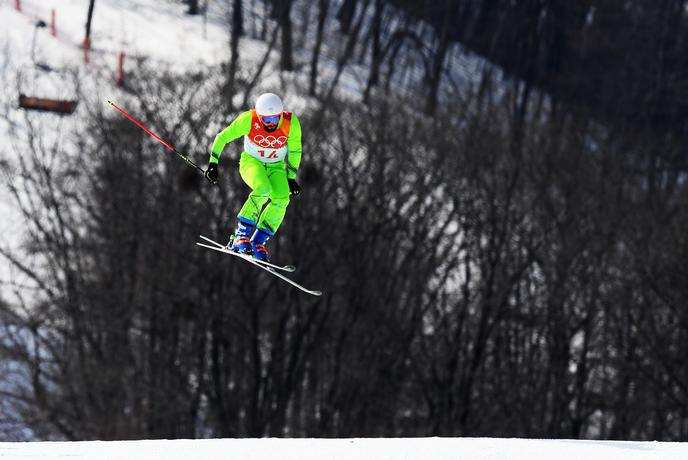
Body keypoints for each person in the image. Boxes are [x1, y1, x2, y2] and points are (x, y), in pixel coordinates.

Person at [205, 93, 302, 262]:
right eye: (266, 120)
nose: (271, 124)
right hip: (251, 163)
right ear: (259, 116)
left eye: (274, 119)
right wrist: (213, 163)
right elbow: (222, 137)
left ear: (280, 114)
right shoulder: (249, 119)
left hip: (276, 166)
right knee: (263, 189)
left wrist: (291, 177)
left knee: (282, 197)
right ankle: (240, 236)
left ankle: (257, 241)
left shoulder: (290, 123)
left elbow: (295, 150)